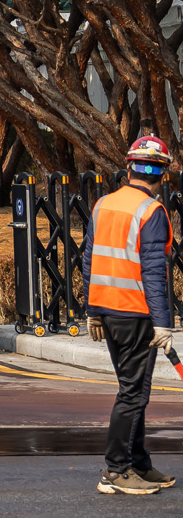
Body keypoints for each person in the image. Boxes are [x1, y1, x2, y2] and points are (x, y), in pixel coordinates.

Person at [85, 134, 177, 496]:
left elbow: (89, 260)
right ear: (163, 175)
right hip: (135, 312)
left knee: (136, 391)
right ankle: (115, 470)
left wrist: (93, 311)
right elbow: (154, 272)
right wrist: (163, 323)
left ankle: (137, 462)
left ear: (128, 168)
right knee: (133, 393)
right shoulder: (152, 212)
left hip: (109, 312)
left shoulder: (103, 204)